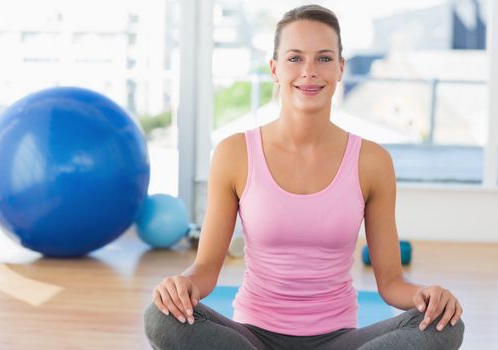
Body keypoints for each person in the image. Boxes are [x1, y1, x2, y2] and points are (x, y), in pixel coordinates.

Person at [144, 4, 465, 349]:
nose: (309, 71)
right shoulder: (234, 153)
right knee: (160, 317)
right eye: (295, 58)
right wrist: (180, 285)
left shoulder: (372, 161)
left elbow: (391, 283)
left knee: (446, 324)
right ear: (274, 69)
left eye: (324, 59)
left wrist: (428, 295)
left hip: (340, 341)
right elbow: (205, 270)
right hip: (251, 339)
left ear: (341, 68)